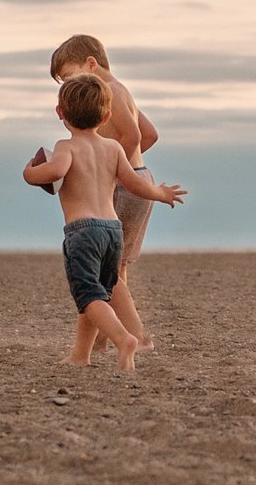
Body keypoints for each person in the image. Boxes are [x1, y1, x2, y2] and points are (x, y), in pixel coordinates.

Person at [22, 74, 186, 372]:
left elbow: (55, 171)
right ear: (107, 115)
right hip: (113, 231)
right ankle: (81, 354)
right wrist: (160, 193)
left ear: (60, 113)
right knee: (101, 289)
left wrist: (30, 173)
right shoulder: (113, 149)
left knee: (88, 296)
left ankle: (125, 339)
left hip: (83, 232)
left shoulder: (65, 147)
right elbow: (135, 183)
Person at [47, 34, 163, 350]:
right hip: (137, 180)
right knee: (114, 266)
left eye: (70, 77)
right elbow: (149, 135)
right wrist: (129, 166)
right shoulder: (121, 90)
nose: (66, 87)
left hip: (127, 187)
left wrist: (110, 171)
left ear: (91, 64)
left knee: (107, 269)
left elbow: (134, 134)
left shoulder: (109, 91)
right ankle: (106, 337)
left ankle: (130, 337)